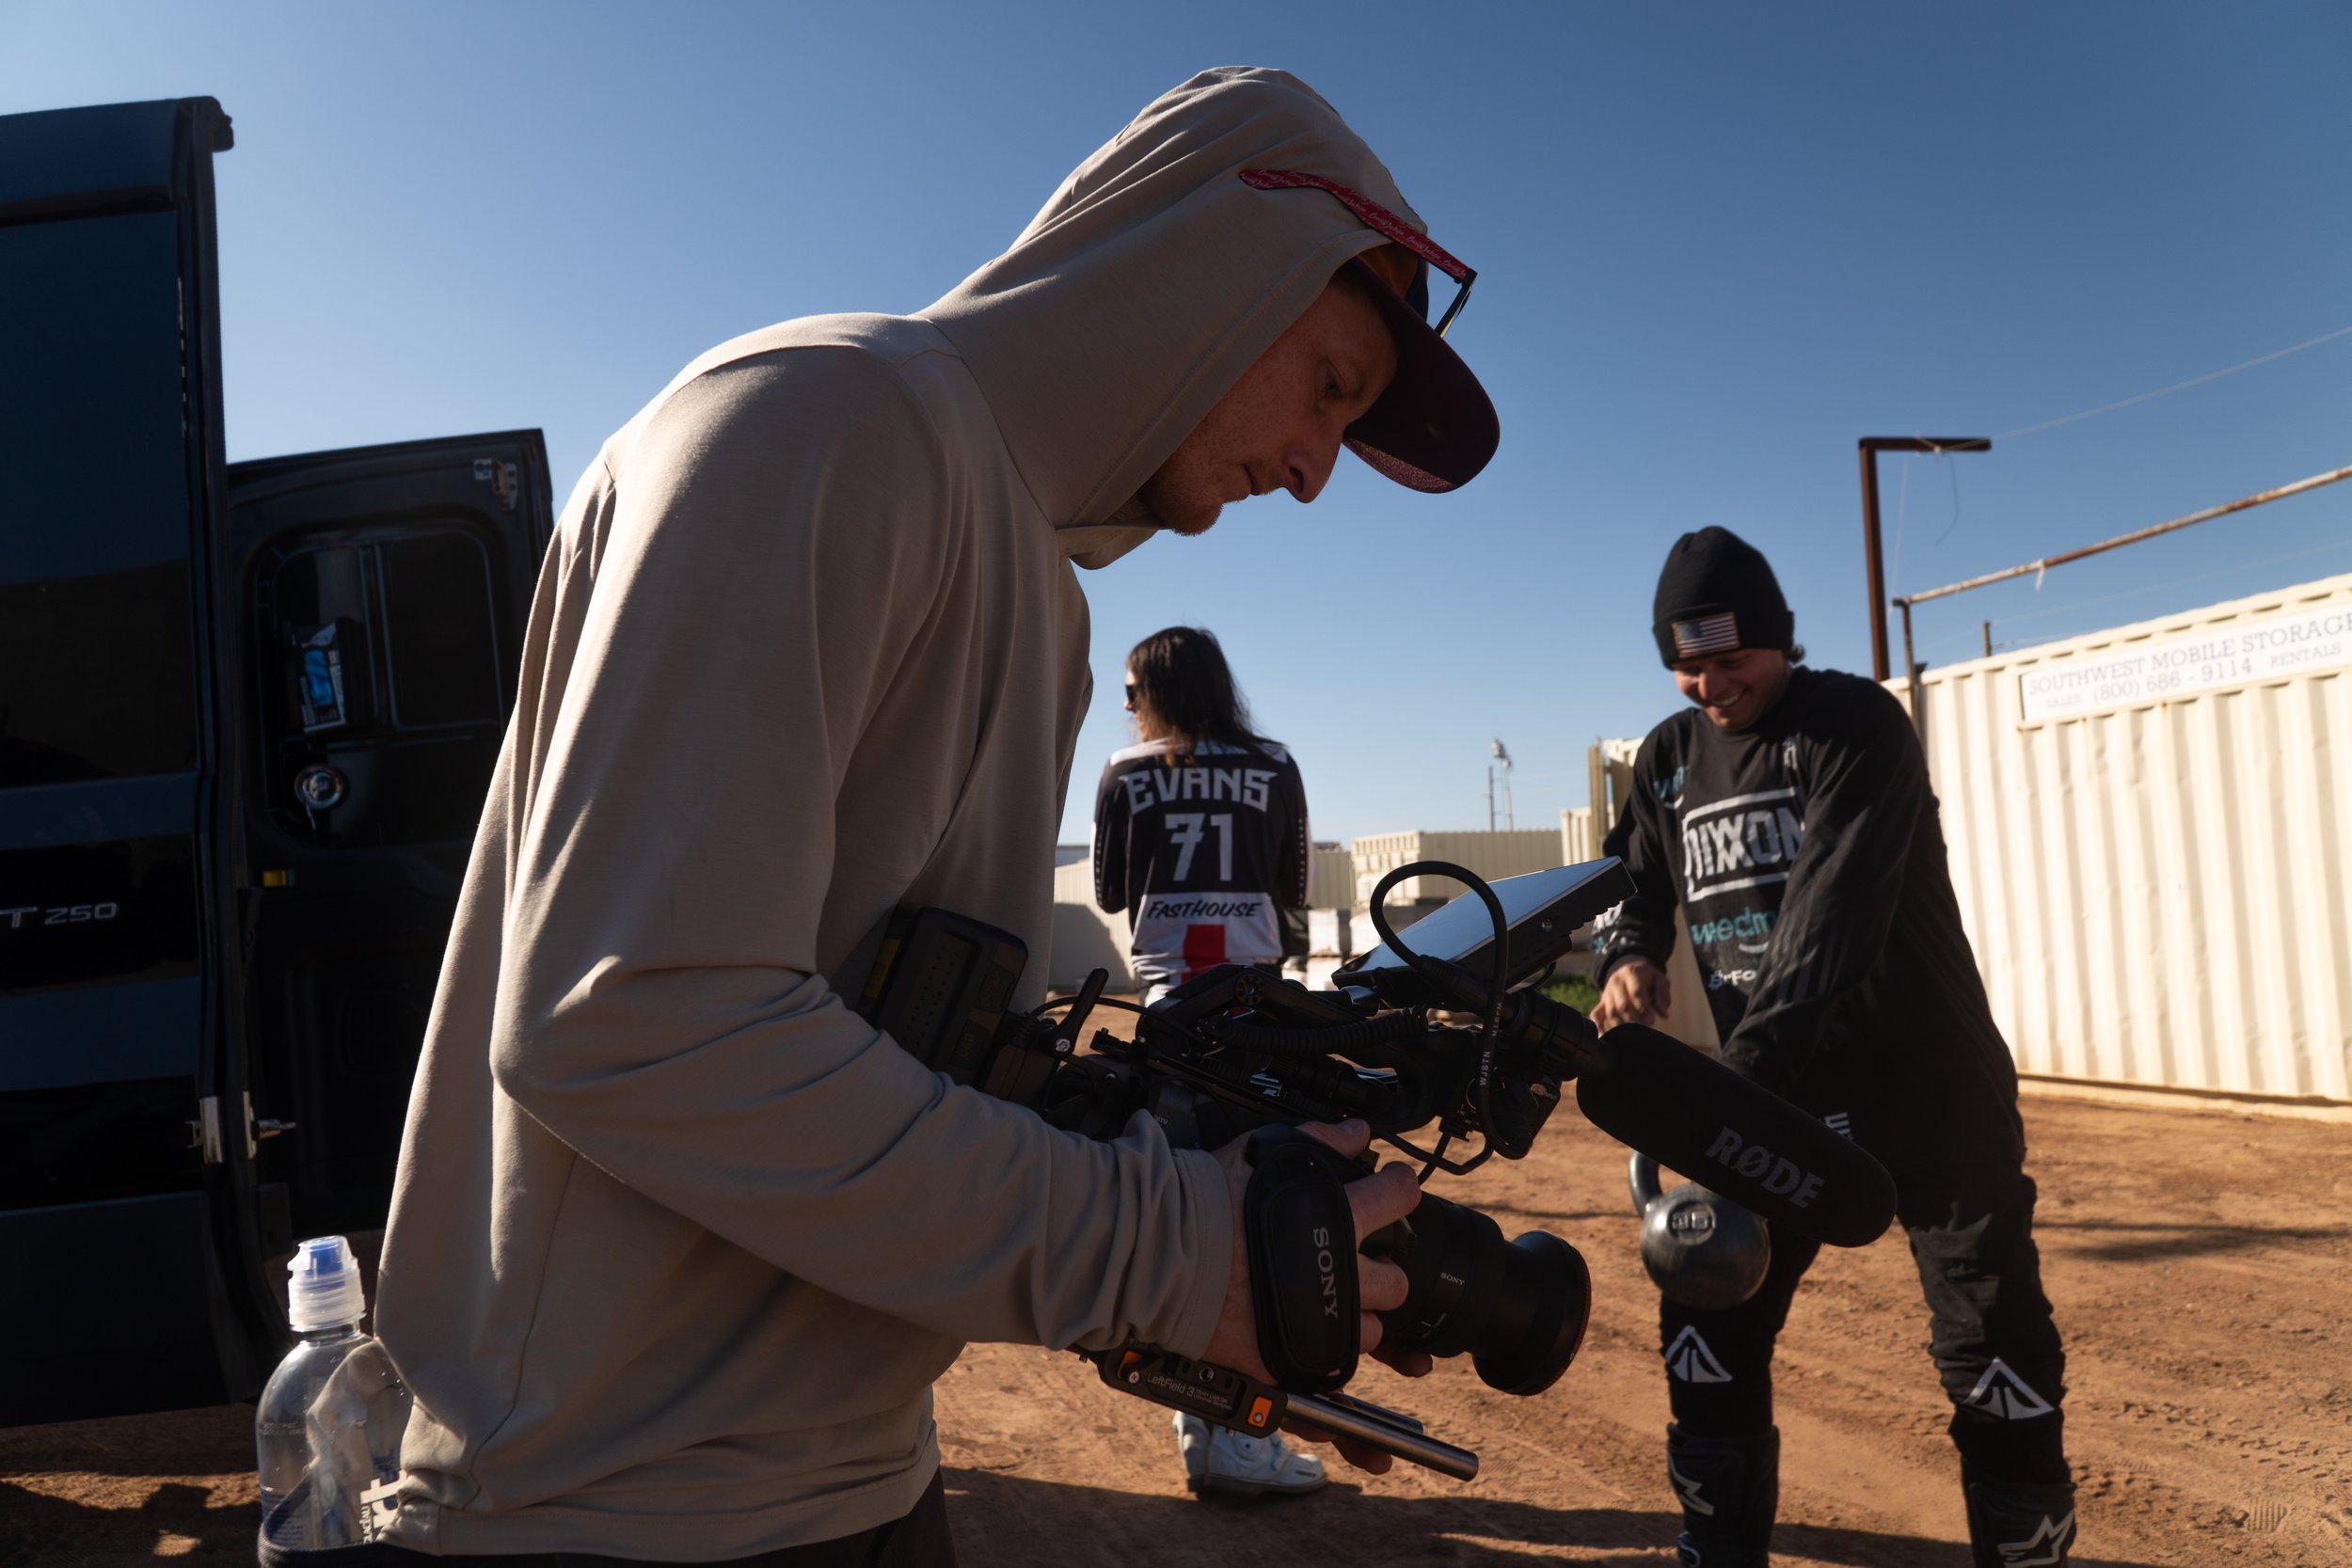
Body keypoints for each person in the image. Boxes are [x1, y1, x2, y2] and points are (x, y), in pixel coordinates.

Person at [363, 67, 1498, 1565]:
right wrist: (1155, 1248)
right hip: (607, 1506)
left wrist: (1224, 1200)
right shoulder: (819, 420)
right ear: (1215, 258)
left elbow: (906, 1048)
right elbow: (631, 1018)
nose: (1309, 470)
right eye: (1332, 391)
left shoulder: (1045, 599)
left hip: (858, 1478)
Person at [1591, 528, 2075, 1568]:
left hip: (1926, 1090)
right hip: (1773, 1101)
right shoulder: (1667, 759)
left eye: (1733, 660)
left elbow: (1831, 921)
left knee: (1991, 1340)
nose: (1712, 684)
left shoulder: (1853, 726)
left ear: (1779, 642)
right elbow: (1627, 881)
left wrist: (1725, 1090)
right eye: (1689, 663)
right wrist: (1626, 957)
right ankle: (1717, 1548)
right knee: (1706, 1320)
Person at [1090, 626, 1317, 1496]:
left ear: (1157, 690)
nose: (1123, 704)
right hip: (1258, 1014)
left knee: (1184, 1217)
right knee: (1264, 1213)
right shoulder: (1276, 763)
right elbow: (1294, 886)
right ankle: (1242, 1439)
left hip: (1167, 1016)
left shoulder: (1124, 772)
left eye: (1130, 688)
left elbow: (1111, 889)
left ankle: (1201, 1427)